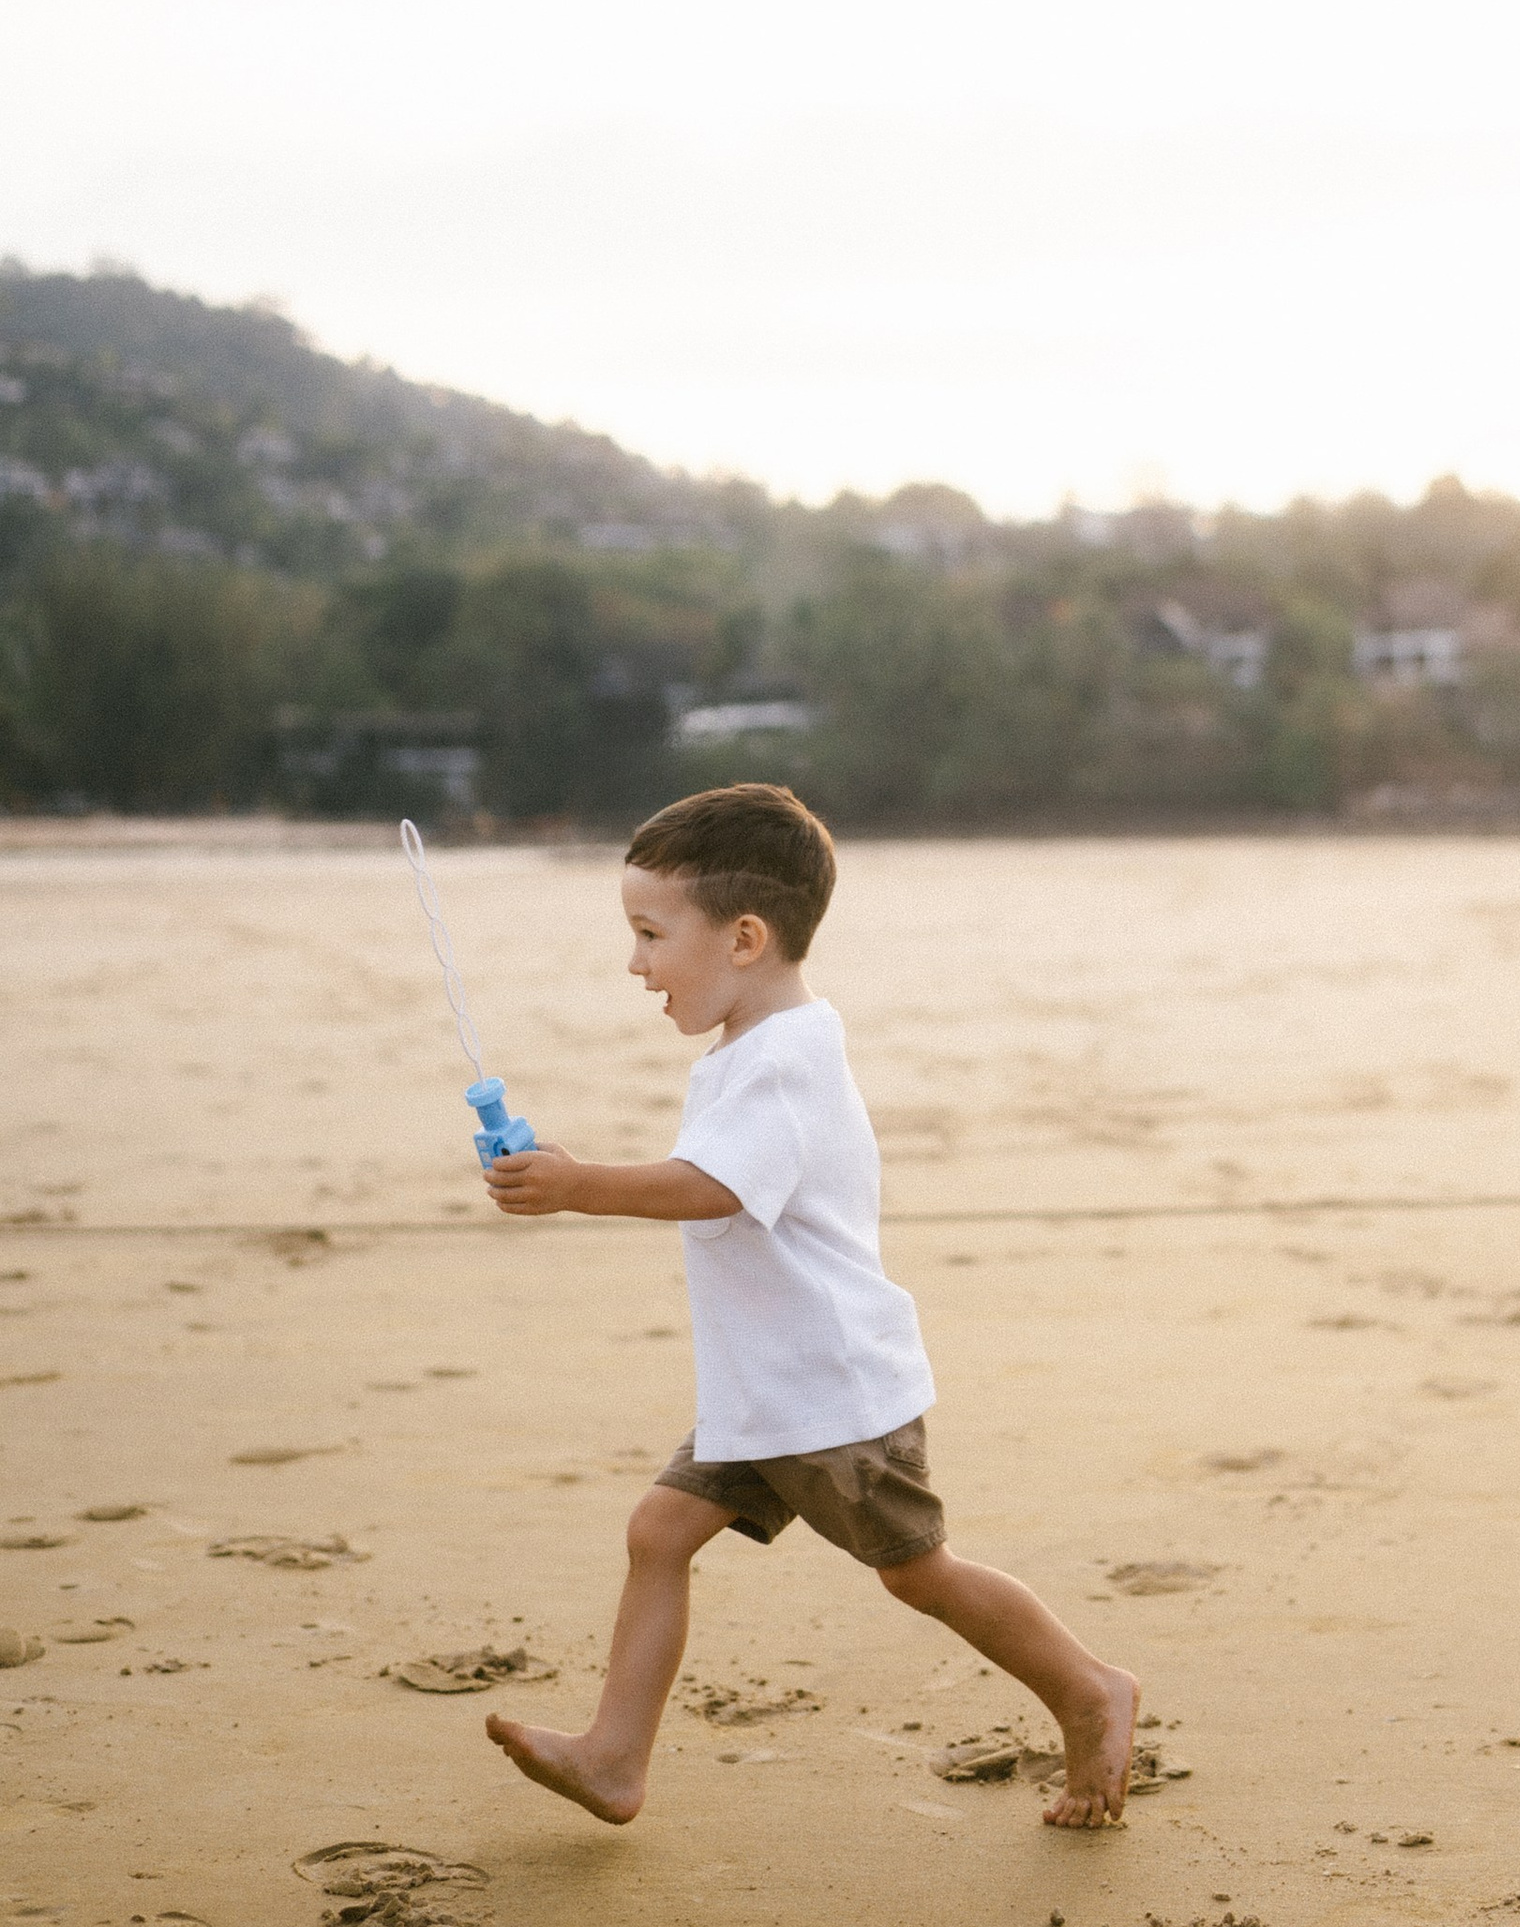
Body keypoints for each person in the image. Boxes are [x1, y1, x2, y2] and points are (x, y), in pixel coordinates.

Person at [478, 780, 1138, 1830]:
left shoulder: (786, 1061)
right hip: (765, 1386)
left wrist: (577, 1185)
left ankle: (1085, 1688)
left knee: (918, 1574)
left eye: (650, 934)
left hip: (827, 1390)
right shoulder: (753, 1048)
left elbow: (713, 1186)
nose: (635, 964)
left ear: (744, 938)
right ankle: (614, 1757)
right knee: (659, 1531)